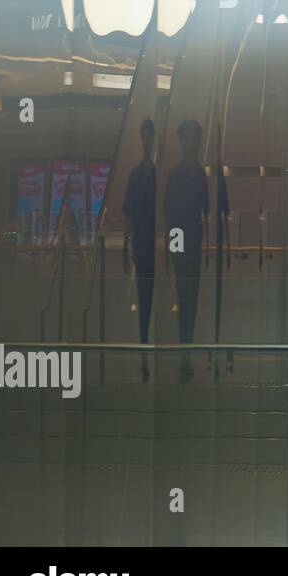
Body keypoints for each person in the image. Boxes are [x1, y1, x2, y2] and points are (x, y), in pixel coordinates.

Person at [164, 119, 209, 382]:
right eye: (187, 137)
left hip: (194, 244)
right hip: (183, 245)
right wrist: (173, 251)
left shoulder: (200, 176)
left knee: (191, 298)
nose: (189, 143)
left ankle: (187, 348)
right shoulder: (175, 175)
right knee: (184, 297)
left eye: (193, 138)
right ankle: (184, 350)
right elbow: (170, 215)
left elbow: (204, 213)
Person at [122, 118, 158, 382]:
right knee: (144, 290)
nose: (147, 142)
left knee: (148, 291)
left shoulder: (153, 173)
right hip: (141, 242)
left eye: (149, 137)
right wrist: (125, 244)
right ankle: (144, 339)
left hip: (149, 242)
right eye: (144, 136)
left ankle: (146, 339)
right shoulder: (138, 175)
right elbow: (129, 212)